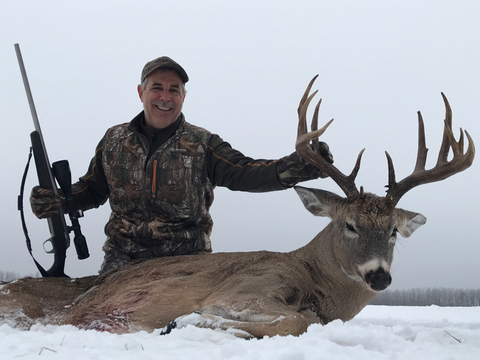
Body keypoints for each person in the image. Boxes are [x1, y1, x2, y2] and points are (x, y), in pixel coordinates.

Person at [30, 56, 333, 274]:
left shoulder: (203, 144)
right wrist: (57, 200)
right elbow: (93, 189)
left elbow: (245, 172)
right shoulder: (113, 140)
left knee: (183, 334)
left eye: (174, 89)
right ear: (141, 92)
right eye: (157, 88)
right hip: (123, 259)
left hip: (186, 262)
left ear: (183, 97)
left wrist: (296, 166)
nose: (165, 97)